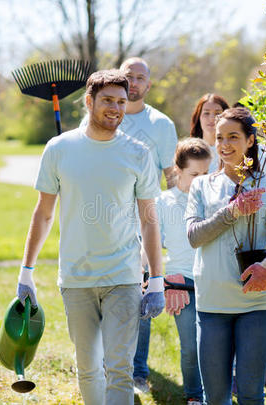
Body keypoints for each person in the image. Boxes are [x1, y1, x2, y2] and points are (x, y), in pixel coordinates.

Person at [16, 69, 165, 405]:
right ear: (89, 101)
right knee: (87, 368)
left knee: (120, 369)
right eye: (107, 100)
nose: (115, 108)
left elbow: (150, 219)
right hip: (76, 277)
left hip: (123, 277)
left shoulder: (139, 153)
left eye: (122, 102)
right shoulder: (59, 148)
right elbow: (43, 213)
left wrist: (156, 279)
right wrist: (26, 272)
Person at [81, 57, 179, 393]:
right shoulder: (106, 112)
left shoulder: (162, 125)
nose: (134, 82)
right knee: (95, 296)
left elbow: (171, 177)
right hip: (99, 219)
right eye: (128, 76)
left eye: (140, 78)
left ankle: (136, 372)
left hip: (142, 221)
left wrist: (170, 224)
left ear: (149, 84)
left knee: (141, 294)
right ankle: (97, 368)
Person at [185, 108, 266, 404]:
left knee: (250, 395)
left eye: (233, 137)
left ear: (250, 141)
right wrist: (232, 212)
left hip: (258, 302)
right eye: (220, 137)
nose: (225, 144)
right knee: (216, 397)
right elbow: (194, 236)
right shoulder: (201, 186)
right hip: (212, 303)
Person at [157, 138, 212, 405]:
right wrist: (163, 280)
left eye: (205, 174)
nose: (201, 180)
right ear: (177, 170)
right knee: (191, 346)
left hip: (213, 280)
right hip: (181, 281)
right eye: (194, 174)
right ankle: (194, 396)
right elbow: (151, 245)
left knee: (214, 347)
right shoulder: (163, 202)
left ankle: (218, 393)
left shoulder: (214, 200)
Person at [189, 93, 229, 173]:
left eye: (218, 113)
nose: (212, 118)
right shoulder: (188, 152)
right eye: (206, 113)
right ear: (198, 117)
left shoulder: (232, 151)